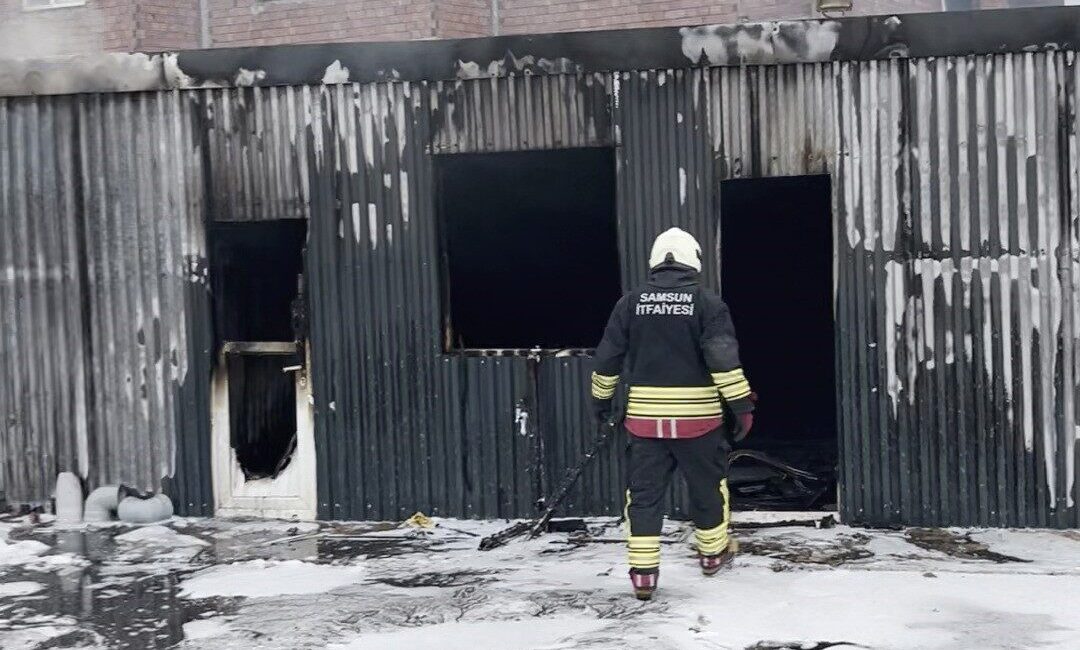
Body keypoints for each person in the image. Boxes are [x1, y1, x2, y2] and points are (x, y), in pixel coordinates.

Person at [591, 227, 754, 601]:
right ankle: (712, 555)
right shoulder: (708, 304)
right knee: (707, 489)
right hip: (699, 423)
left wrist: (601, 402)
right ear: (692, 259)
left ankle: (644, 576)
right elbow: (723, 362)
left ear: (656, 260)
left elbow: (606, 361)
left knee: (644, 497)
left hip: (645, 423)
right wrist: (741, 406)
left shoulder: (629, 304)